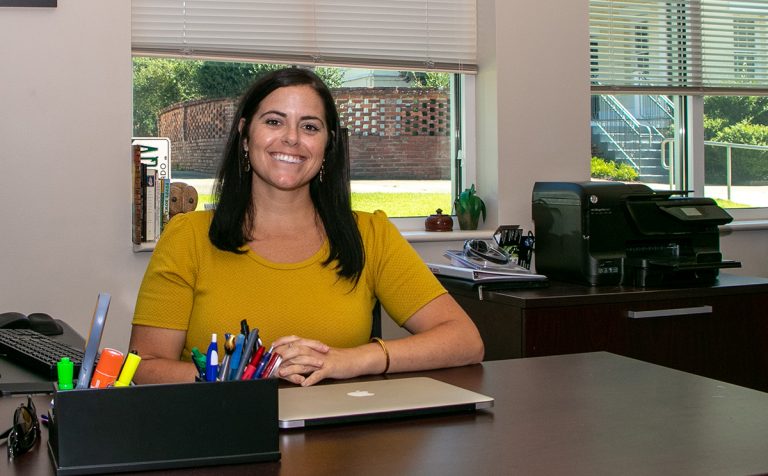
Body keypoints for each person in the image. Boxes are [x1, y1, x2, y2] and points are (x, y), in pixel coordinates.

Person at [129, 67, 484, 387]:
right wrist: (251, 373)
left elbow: (465, 340)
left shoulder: (371, 235)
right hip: (220, 435)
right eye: (273, 122)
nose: (292, 138)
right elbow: (144, 368)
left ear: (328, 144)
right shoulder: (188, 237)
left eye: (310, 127)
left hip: (342, 443)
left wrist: (351, 359)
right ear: (245, 135)